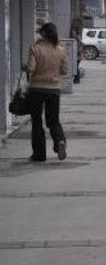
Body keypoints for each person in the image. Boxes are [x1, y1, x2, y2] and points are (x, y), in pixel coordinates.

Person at [22, 23, 68, 162]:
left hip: (36, 89)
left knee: (37, 121)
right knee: (53, 120)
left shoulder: (35, 49)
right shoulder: (61, 50)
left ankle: (39, 155)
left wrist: (25, 67)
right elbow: (64, 70)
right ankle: (59, 141)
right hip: (54, 90)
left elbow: (31, 68)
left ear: (43, 34)